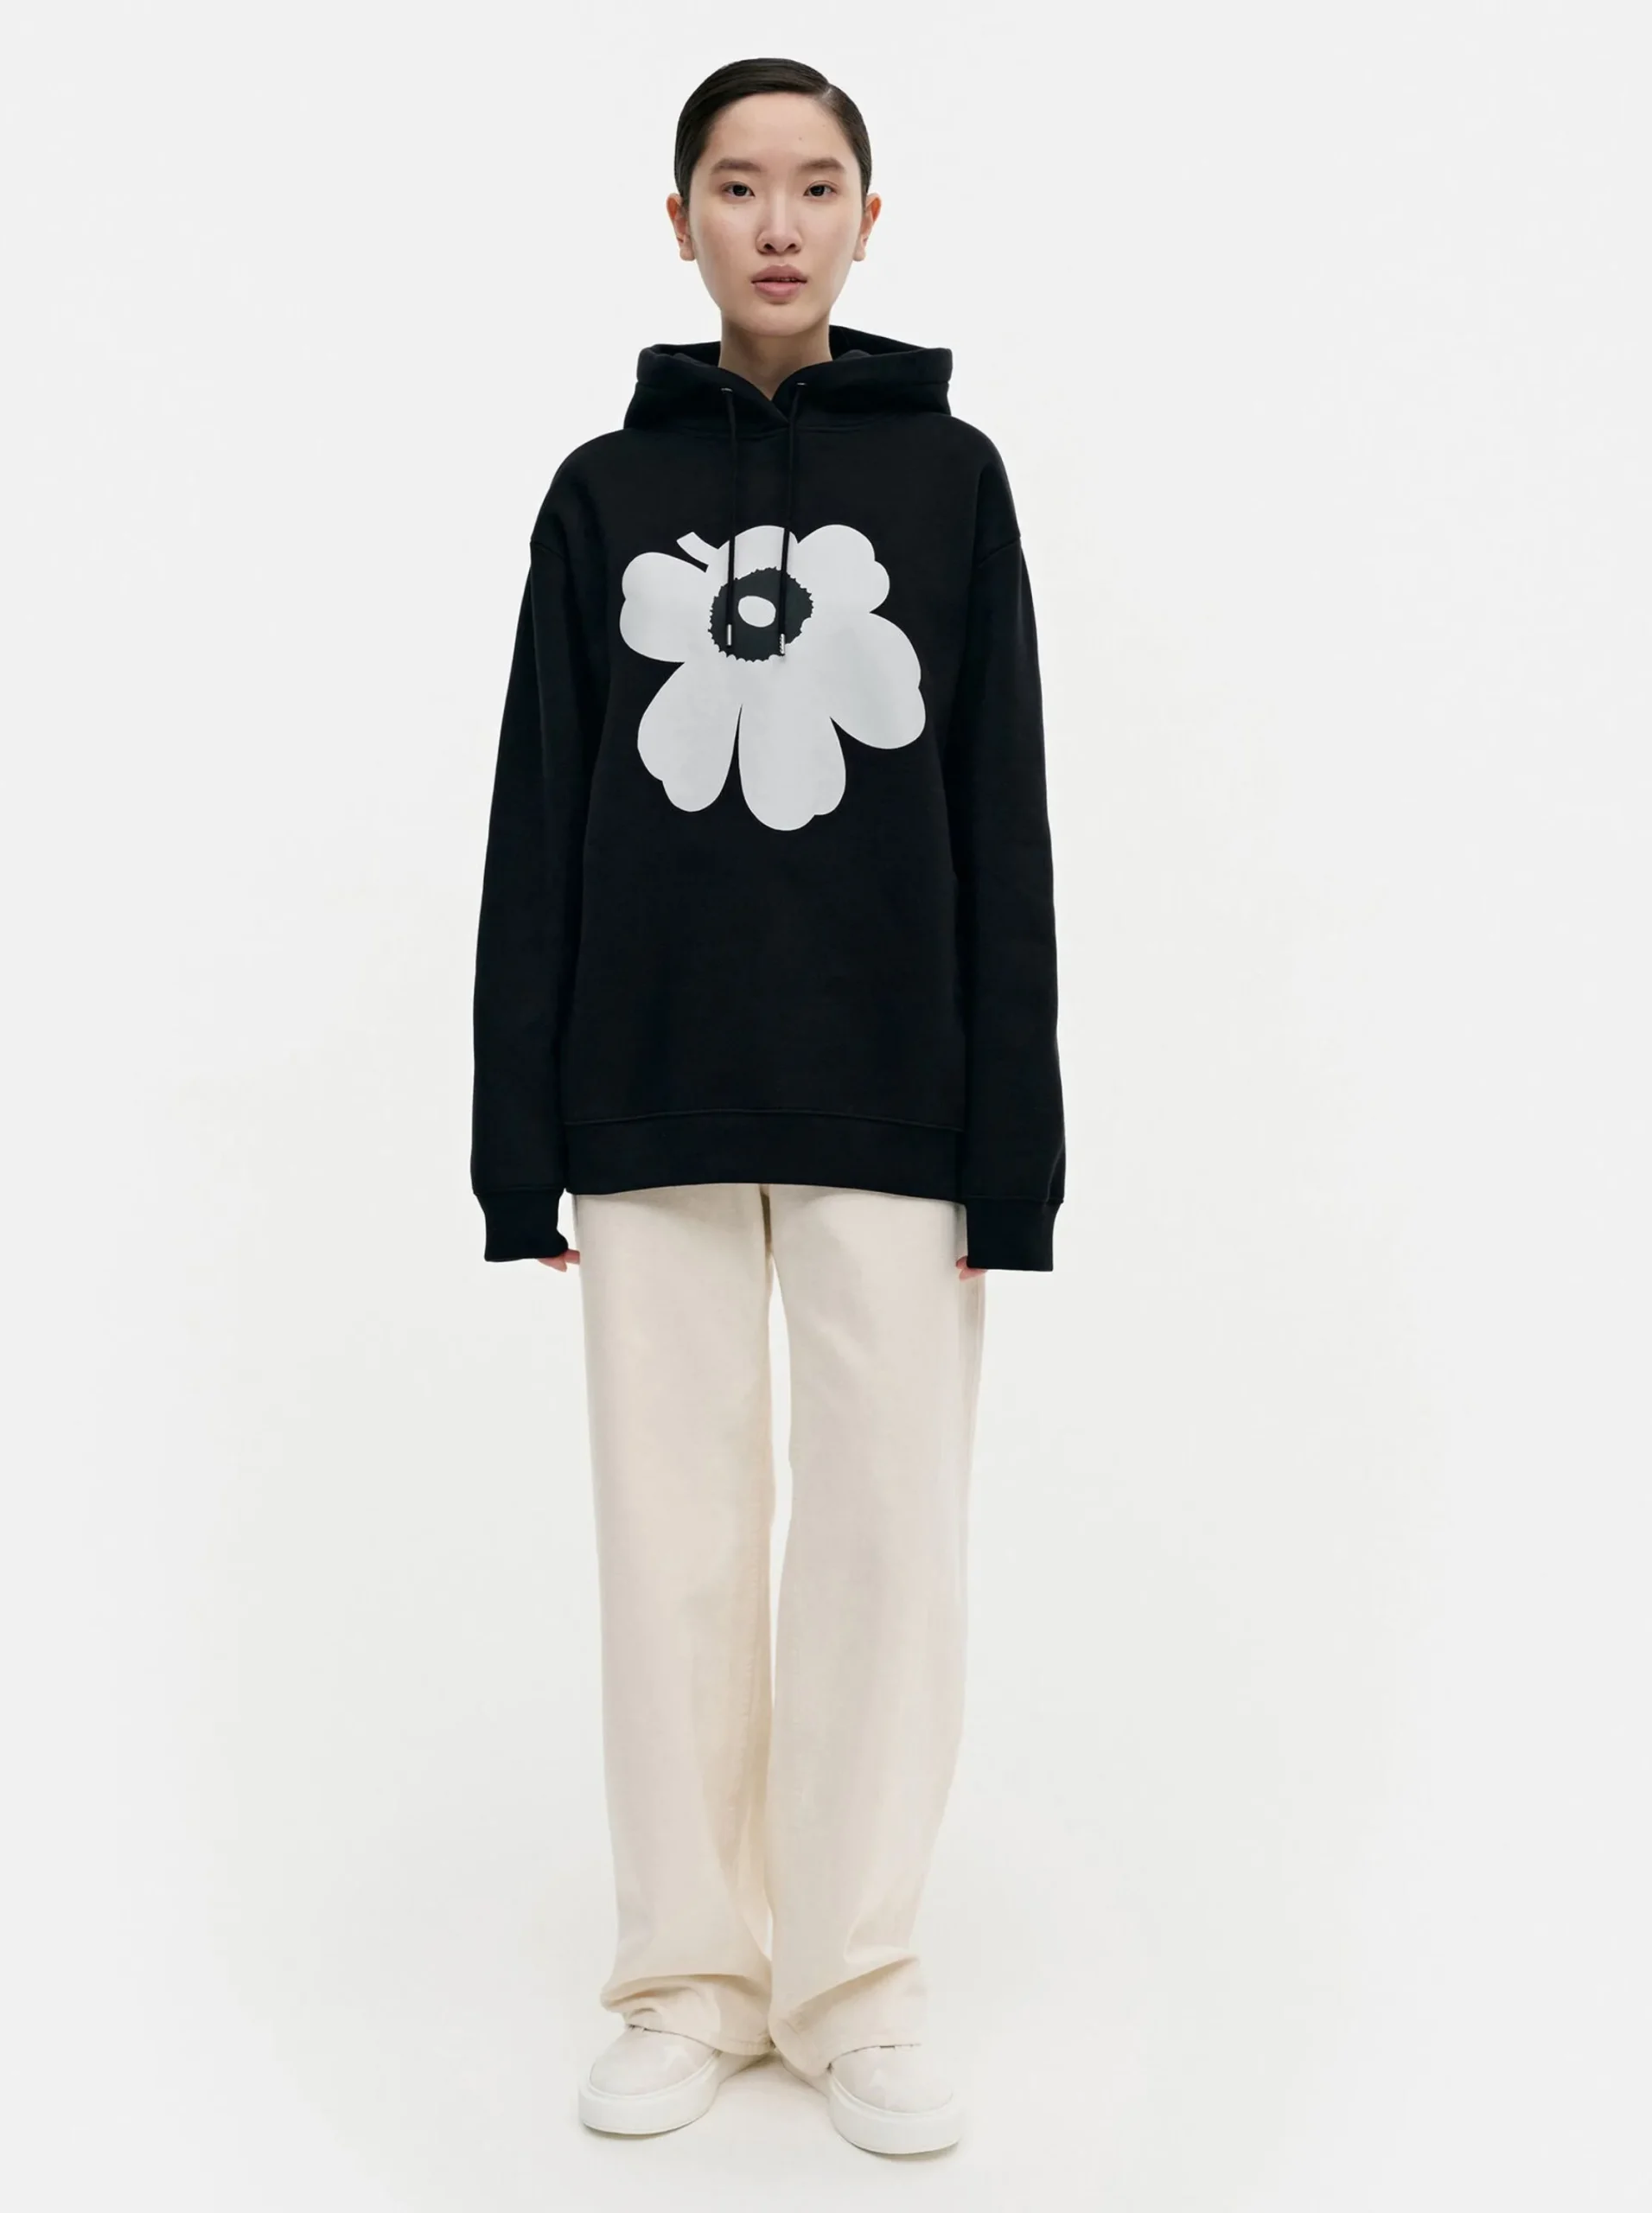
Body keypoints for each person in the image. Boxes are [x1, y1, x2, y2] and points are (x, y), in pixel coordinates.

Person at [469, 56, 1064, 2158]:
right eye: (738, 186)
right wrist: (514, 1140)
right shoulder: (600, 496)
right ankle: (689, 1975)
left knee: (888, 1541)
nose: (779, 223)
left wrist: (1015, 1158)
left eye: (817, 186)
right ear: (681, 221)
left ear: (870, 220)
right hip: (640, 1089)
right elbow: (537, 815)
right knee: (673, 1548)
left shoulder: (953, 481)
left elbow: (1001, 811)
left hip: (898, 1092)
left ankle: (854, 1982)